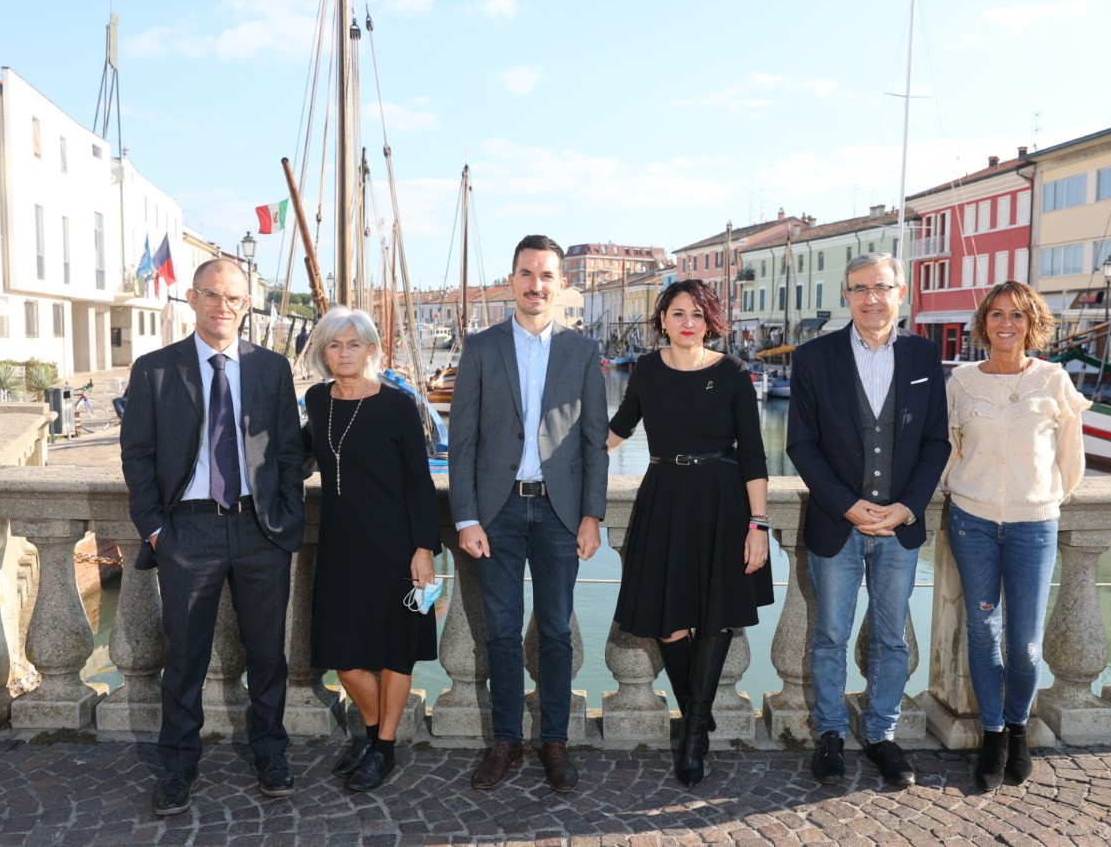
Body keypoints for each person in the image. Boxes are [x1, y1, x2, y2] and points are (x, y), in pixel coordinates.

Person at [121, 259, 305, 815]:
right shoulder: (154, 370)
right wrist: (156, 530)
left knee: (268, 654)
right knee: (185, 657)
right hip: (188, 531)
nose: (222, 306)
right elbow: (138, 456)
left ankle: (270, 751)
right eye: (211, 295)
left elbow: (290, 453)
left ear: (247, 306)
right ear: (192, 299)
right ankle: (178, 765)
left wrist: (285, 518)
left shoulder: (272, 369)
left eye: (233, 298)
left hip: (260, 528)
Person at [449, 234, 609, 793]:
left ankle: (554, 742)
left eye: (546, 275)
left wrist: (592, 515)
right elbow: (461, 440)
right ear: (512, 280)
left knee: (556, 631)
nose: (536, 284)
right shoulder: (482, 347)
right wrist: (466, 517)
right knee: (499, 631)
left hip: (561, 514)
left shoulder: (582, 352)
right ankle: (506, 741)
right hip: (496, 513)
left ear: (561, 283)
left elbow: (594, 444)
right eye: (526, 273)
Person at [786, 252, 949, 790]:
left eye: (882, 287)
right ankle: (831, 732)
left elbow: (935, 443)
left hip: (900, 525)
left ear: (902, 293)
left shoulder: (927, 355)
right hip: (839, 524)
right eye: (860, 288)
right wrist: (846, 504)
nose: (872, 298)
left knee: (892, 637)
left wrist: (908, 506)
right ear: (846, 296)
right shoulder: (813, 358)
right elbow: (802, 446)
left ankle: (880, 734)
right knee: (830, 634)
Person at [607, 279, 772, 788]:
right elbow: (617, 430)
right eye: (678, 313)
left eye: (697, 315)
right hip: (665, 497)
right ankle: (696, 717)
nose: (687, 323)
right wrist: (564, 462)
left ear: (710, 322)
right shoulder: (647, 370)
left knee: (717, 617)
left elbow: (753, 454)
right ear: (663, 319)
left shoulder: (732, 372)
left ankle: (693, 732)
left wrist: (758, 524)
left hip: (723, 499)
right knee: (668, 624)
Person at [943, 281, 1089, 792]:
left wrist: (1041, 501)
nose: (1007, 323)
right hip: (971, 521)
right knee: (983, 633)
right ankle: (993, 735)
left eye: (1018, 315)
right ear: (984, 323)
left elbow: (1071, 459)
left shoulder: (1053, 380)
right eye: (997, 314)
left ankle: (1019, 729)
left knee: (1025, 644)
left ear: (1033, 324)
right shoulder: (960, 383)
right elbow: (949, 450)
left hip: (1033, 525)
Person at [301, 306, 440, 792]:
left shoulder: (399, 404)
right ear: (323, 351)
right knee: (345, 657)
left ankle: (382, 747)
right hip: (340, 545)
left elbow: (420, 485)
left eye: (353, 344)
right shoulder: (317, 400)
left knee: (394, 651)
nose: (344, 353)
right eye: (335, 344)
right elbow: (300, 452)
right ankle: (373, 732)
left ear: (371, 350)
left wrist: (425, 550)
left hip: (397, 545)